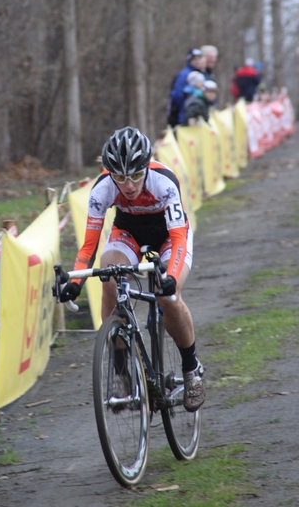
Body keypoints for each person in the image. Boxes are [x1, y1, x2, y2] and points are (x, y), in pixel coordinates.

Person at [58, 126, 205, 412]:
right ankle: (122, 369)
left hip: (169, 236)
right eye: (120, 177)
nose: (127, 184)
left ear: (146, 167)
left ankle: (191, 369)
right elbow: (88, 248)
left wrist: (170, 279)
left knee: (167, 298)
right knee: (108, 274)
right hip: (129, 234)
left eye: (136, 175)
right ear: (109, 173)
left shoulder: (164, 183)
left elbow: (177, 239)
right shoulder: (102, 189)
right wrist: (74, 284)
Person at [167, 48, 205, 128]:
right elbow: (177, 95)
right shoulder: (184, 75)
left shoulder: (200, 73)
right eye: (195, 59)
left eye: (199, 58)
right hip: (185, 115)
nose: (198, 61)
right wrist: (187, 107)